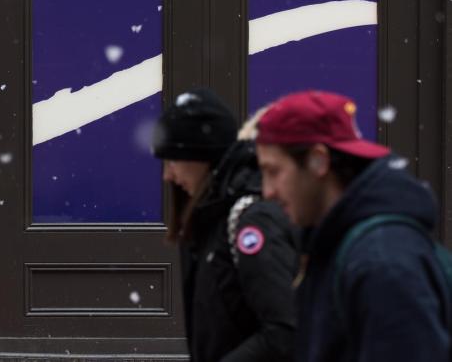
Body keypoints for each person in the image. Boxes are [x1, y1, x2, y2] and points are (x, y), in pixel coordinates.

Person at [255, 90, 450, 362]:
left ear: (319, 160)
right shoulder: (333, 244)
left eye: (274, 171)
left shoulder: (382, 262)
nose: (268, 192)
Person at [151, 88, 297, 362]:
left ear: (202, 157)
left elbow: (284, 332)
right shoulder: (206, 217)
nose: (167, 175)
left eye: (173, 160)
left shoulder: (251, 220)